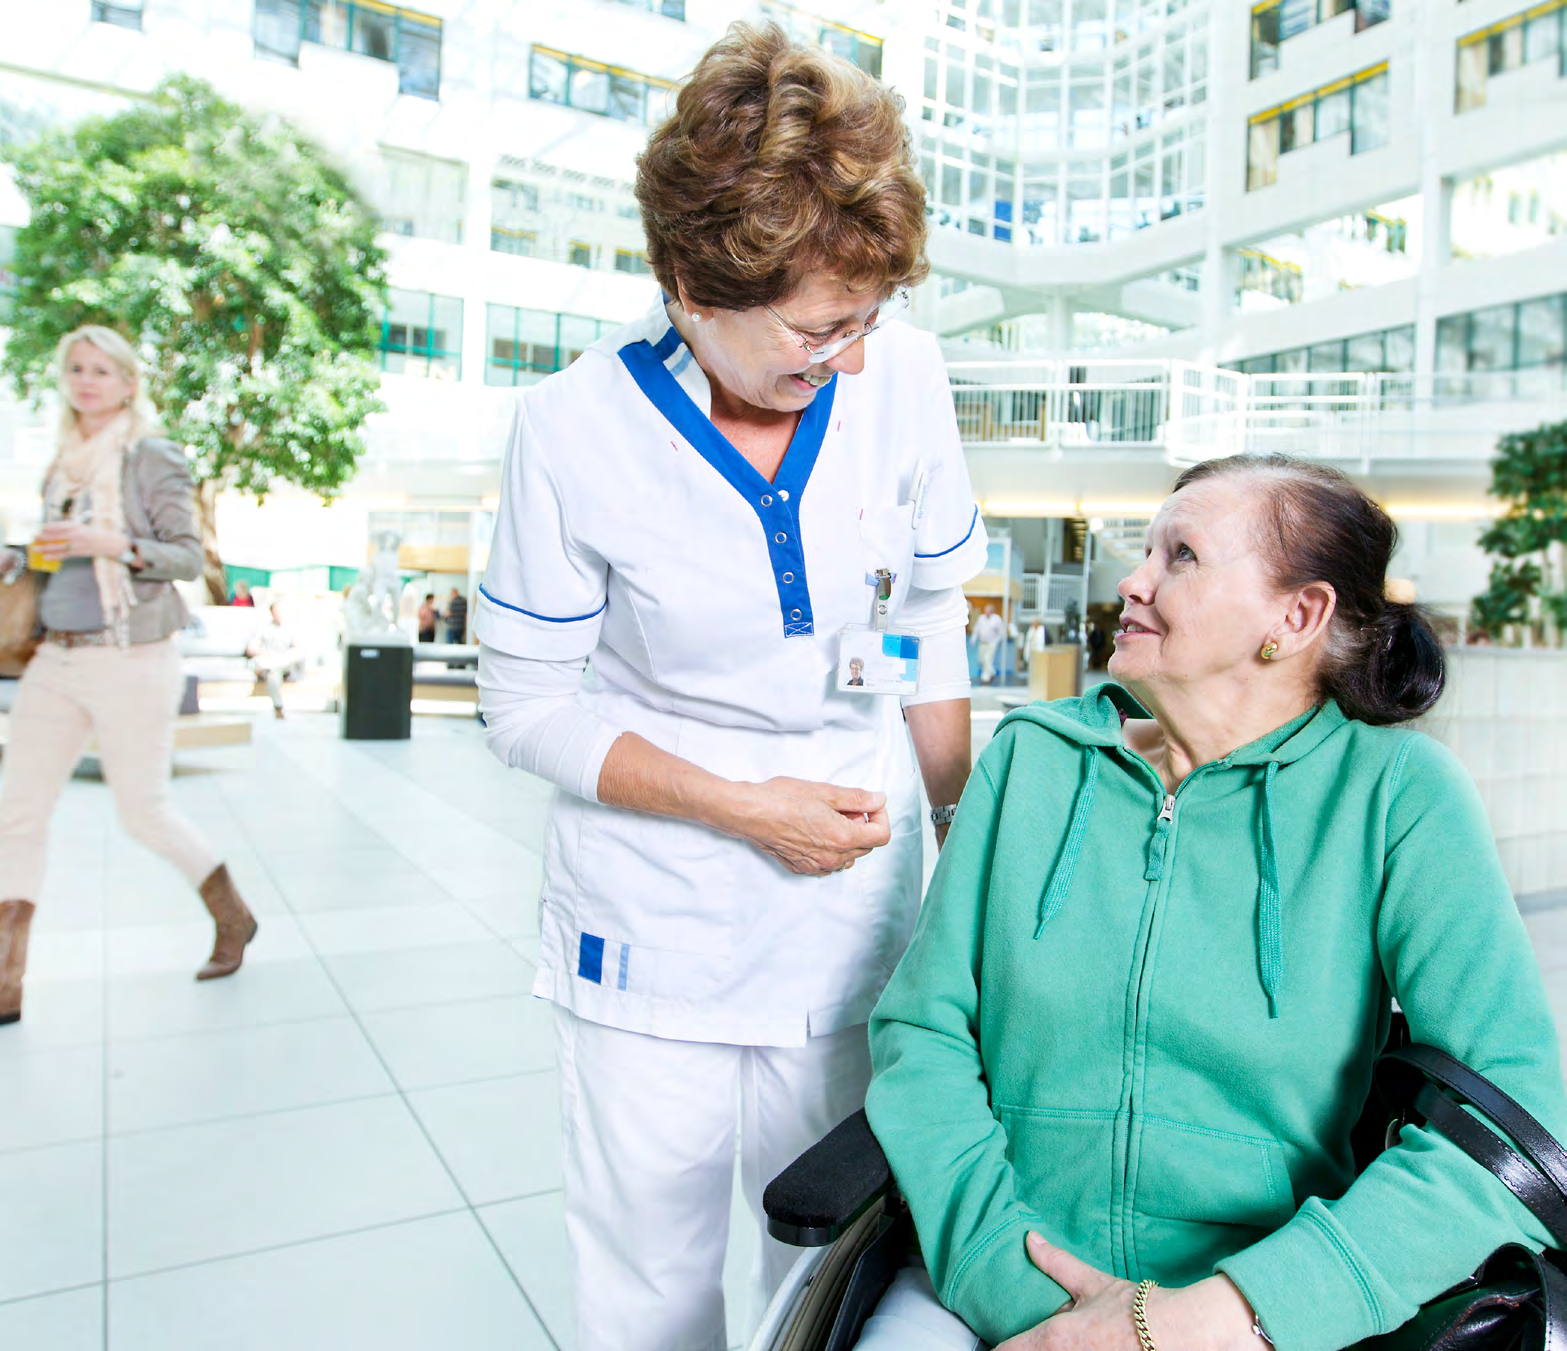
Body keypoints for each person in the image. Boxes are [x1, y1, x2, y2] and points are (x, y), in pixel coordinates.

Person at [475, 24, 987, 1351]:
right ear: (690, 283)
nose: (854, 357)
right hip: (654, 916)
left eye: (869, 318)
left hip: (854, 904)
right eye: (821, 327)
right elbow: (525, 703)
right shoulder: (573, 432)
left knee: (831, 1256)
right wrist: (741, 805)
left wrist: (967, 843)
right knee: (647, 1273)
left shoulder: (904, 379)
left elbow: (921, 621)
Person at [861, 454, 1567, 1350]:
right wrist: (1020, 1290)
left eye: (1180, 555)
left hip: (1268, 1314)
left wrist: (1214, 1317)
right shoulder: (1029, 762)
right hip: (992, 1287)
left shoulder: (1395, 795)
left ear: (1294, 615)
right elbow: (921, 1035)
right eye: (1145, 548)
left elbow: (1509, 1122)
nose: (1133, 579)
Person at [0, 325, 258, 1024]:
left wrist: (108, 542)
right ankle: (6, 981)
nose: (87, 381)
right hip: (56, 653)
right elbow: (55, 561)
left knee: (143, 810)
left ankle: (233, 916)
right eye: (76, 369)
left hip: (132, 655)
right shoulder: (62, 465)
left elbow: (184, 557)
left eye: (102, 370)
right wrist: (20, 560)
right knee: (17, 813)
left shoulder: (150, 457)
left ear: (128, 382)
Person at [246, 598, 300, 719]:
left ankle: (278, 706)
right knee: (272, 672)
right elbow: (251, 648)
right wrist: (266, 653)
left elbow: (298, 650)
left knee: (277, 667)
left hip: (281, 663)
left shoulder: (290, 629)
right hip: (268, 661)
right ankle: (278, 707)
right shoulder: (264, 629)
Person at [974, 603, 1006, 685]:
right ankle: (992, 672)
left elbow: (1001, 632)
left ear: (992, 611)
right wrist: (974, 638)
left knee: (987, 659)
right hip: (982, 642)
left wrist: (996, 642)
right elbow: (977, 628)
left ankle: (985, 678)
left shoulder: (997, 619)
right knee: (982, 660)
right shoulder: (981, 618)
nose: (986, 612)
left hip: (991, 643)